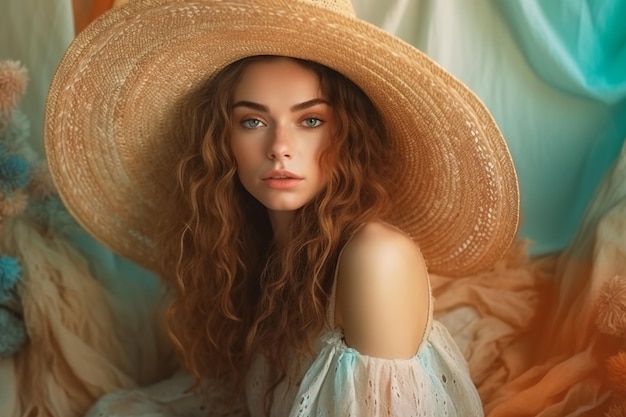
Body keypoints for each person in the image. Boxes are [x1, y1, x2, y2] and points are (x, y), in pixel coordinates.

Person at [44, 0, 520, 415]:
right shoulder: (256, 248)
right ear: (222, 141)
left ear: (345, 134)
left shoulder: (377, 257)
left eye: (310, 119)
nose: (280, 147)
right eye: (252, 121)